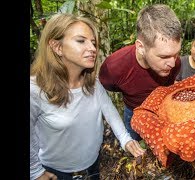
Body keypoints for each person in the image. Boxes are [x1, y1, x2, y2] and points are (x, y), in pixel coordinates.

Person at [30, 13, 145, 180]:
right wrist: (35, 172)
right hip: (56, 172)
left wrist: (126, 140)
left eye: (93, 42)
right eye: (81, 41)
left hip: (92, 166)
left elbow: (110, 112)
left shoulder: (93, 83)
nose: (92, 48)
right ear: (57, 47)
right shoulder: (35, 90)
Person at [99, 4, 182, 141]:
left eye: (176, 54)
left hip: (161, 111)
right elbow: (110, 86)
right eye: (163, 56)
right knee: (134, 145)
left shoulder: (175, 63)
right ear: (141, 47)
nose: (172, 63)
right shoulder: (113, 68)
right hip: (132, 112)